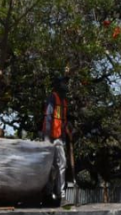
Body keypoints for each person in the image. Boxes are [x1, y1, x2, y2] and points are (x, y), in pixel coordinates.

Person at [41, 76, 71, 205]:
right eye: (64, 83)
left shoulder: (64, 101)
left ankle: (61, 195)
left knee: (62, 165)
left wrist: (66, 132)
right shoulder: (52, 97)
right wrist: (47, 139)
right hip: (50, 137)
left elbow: (63, 121)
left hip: (59, 137)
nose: (66, 86)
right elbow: (48, 116)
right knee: (50, 167)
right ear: (58, 85)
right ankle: (47, 194)